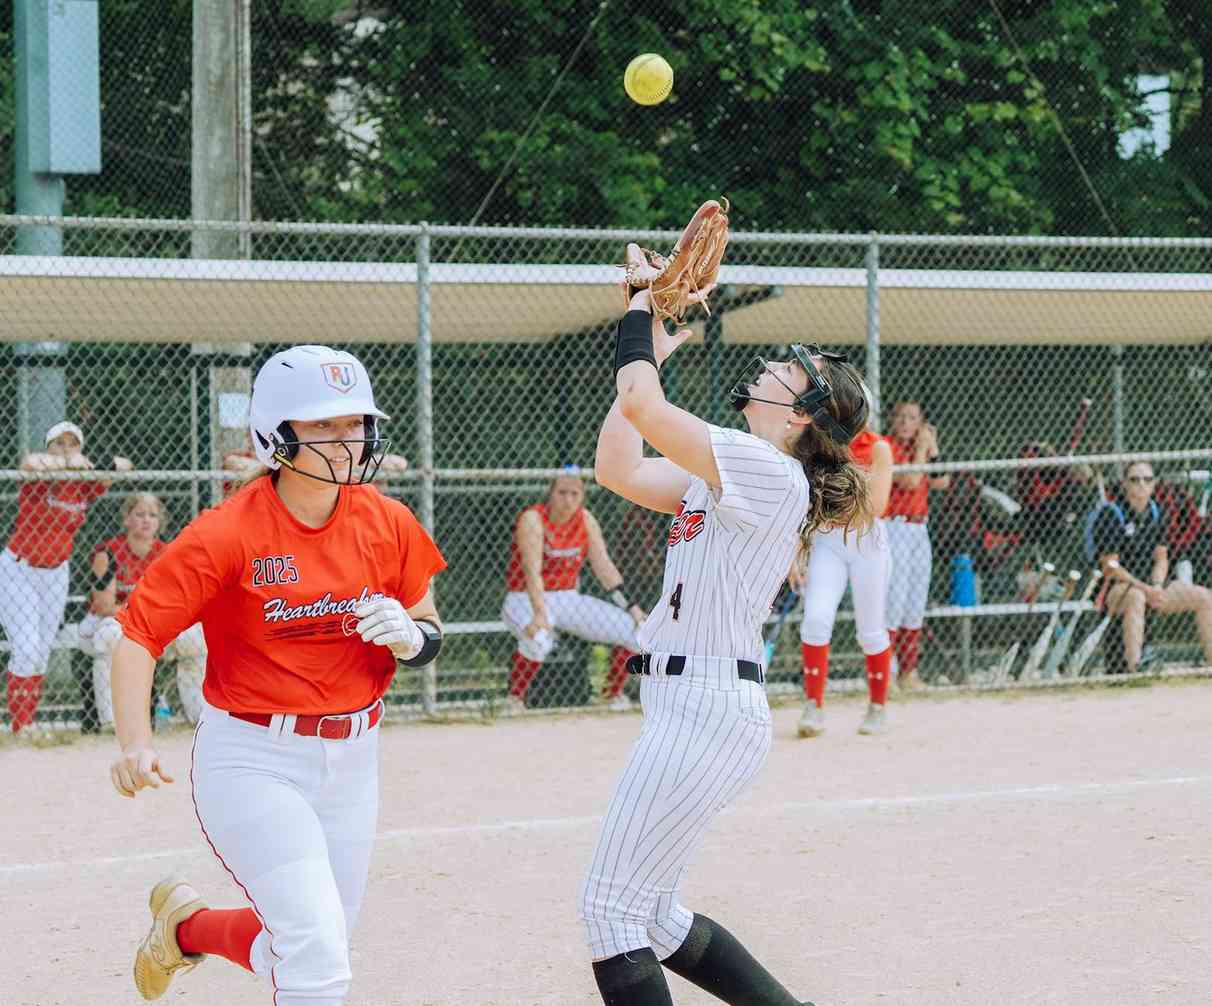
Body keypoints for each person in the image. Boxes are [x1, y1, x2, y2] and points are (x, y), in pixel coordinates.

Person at [107, 345, 446, 1005]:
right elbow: (138, 636)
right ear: (275, 434)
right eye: (323, 425)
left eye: (355, 423)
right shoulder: (228, 532)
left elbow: (428, 626)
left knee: (314, 941)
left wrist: (413, 639)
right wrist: (134, 743)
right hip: (254, 758)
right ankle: (192, 931)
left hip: (354, 758)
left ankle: (185, 930)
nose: (346, 439)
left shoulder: (388, 521)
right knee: (317, 954)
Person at [580, 280, 871, 1006]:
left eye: (790, 371)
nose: (772, 366)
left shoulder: (769, 469)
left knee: (610, 913)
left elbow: (645, 406)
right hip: (694, 702)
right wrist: (645, 356)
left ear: (802, 414)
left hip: (705, 706)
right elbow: (617, 469)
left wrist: (640, 312)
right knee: (654, 918)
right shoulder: (732, 474)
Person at [0, 421, 132, 735]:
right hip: (19, 570)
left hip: (57, 573)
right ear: (49, 447)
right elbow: (30, 463)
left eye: (73, 444)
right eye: (59, 443)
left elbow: (125, 466)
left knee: (41, 651)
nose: (66, 449)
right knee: (27, 648)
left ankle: (26, 725)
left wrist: (88, 464)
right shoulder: (41, 475)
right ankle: (21, 726)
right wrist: (65, 462)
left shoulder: (83, 482)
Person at [502, 469, 646, 711]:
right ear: (550, 494)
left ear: (582, 497)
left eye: (574, 494)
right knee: (538, 639)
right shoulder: (533, 519)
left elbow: (605, 568)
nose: (568, 500)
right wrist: (540, 614)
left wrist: (633, 609)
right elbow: (531, 571)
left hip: (567, 597)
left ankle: (611, 695)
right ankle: (514, 700)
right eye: (562, 493)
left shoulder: (585, 519)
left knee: (636, 631)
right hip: (524, 597)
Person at [790, 406, 894, 737]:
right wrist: (796, 553)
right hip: (827, 539)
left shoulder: (877, 447)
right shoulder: (819, 445)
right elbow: (805, 504)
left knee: (870, 630)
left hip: (866, 540)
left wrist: (833, 500)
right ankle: (814, 706)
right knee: (815, 619)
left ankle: (877, 707)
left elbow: (876, 506)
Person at [77, 492, 207, 731]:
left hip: (150, 621)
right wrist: (148, 608)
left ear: (159, 522)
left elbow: (177, 602)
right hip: (110, 622)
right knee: (109, 638)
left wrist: (149, 611)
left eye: (153, 515)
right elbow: (105, 605)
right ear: (127, 519)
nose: (146, 520)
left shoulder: (167, 552)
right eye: (139, 514)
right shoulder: (108, 553)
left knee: (195, 639)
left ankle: (198, 715)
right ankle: (110, 722)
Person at [1094, 461, 1212, 673]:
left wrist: (1157, 585)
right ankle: (1135, 670)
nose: (1141, 484)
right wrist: (1145, 588)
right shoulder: (1112, 513)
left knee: (1204, 597)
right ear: (1125, 484)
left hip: (1151, 586)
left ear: (1154, 483)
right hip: (1117, 588)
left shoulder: (1157, 512)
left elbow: (1161, 558)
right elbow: (1111, 568)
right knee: (1136, 597)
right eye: (1135, 479)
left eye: (1147, 479)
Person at [885, 400, 950, 688]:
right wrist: (923, 449)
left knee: (915, 599)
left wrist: (932, 448)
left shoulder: (919, 448)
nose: (905, 422)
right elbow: (910, 481)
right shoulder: (886, 446)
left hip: (919, 529)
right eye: (900, 417)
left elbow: (941, 481)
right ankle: (886, 671)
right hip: (894, 527)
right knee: (895, 600)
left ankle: (909, 672)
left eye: (912, 418)